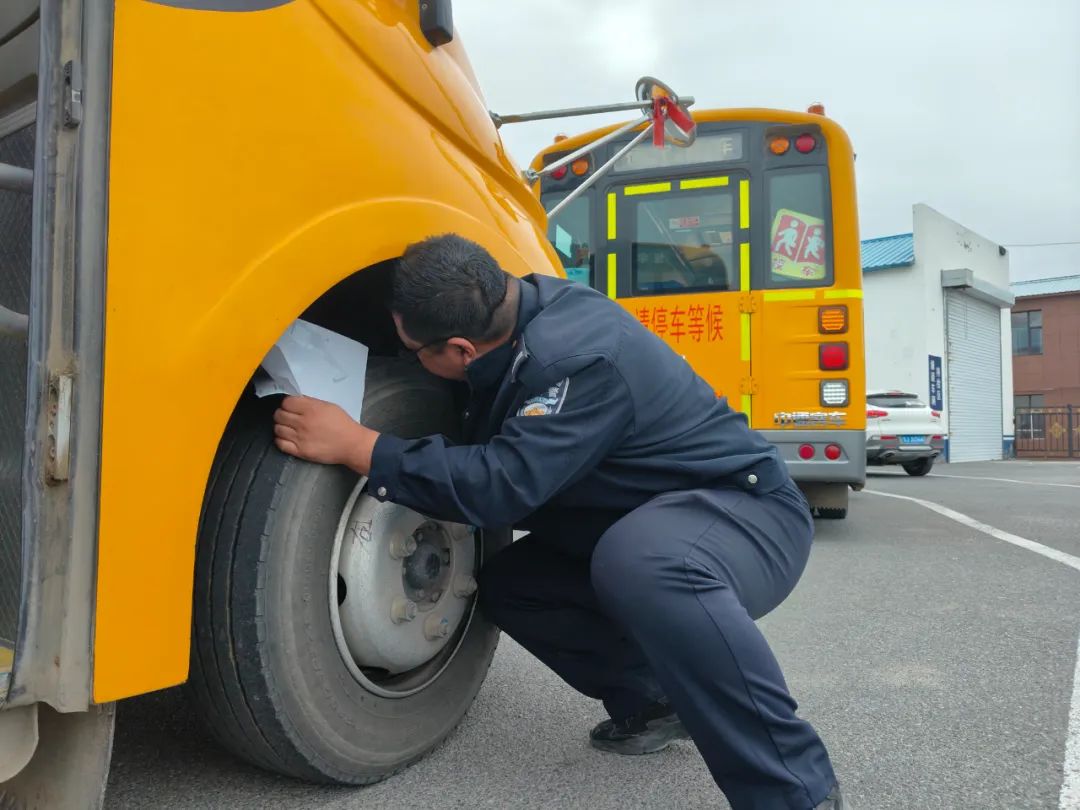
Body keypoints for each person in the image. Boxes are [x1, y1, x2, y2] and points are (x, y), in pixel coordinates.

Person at [271, 234, 846, 810]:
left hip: (744, 515)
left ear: (462, 350)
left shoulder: (580, 356)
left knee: (645, 564)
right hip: (639, 519)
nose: (413, 360)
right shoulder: (513, 320)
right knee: (513, 585)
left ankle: (794, 788)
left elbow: (502, 485)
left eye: (416, 352)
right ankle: (655, 699)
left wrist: (362, 446)